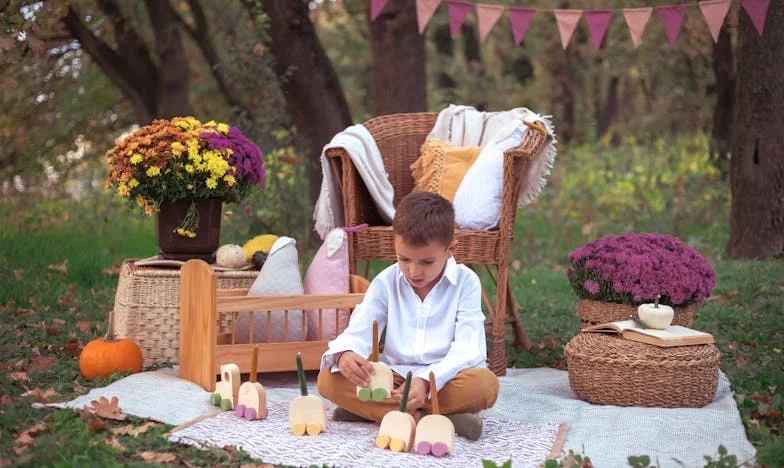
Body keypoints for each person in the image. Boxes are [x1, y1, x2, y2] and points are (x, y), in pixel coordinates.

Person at [317, 191, 499, 441]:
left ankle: (377, 411)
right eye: (404, 259)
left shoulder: (467, 283)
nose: (414, 271)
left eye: (426, 261)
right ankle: (434, 418)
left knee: (485, 386)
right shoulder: (386, 281)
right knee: (328, 379)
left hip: (445, 379)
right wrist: (346, 353)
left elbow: (469, 348)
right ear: (395, 246)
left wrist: (425, 383)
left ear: (450, 249)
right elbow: (359, 327)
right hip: (394, 378)